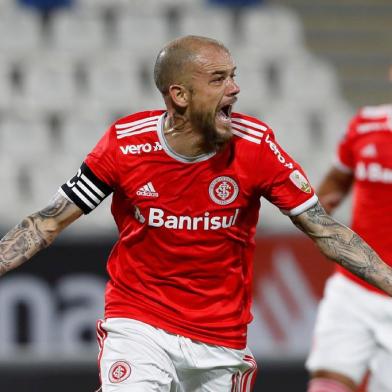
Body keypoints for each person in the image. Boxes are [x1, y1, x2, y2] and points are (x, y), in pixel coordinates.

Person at [1, 35, 392, 392]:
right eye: (219, 79)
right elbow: (48, 221)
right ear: (180, 95)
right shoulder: (125, 146)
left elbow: (324, 230)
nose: (235, 89)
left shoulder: (255, 146)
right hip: (140, 323)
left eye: (234, 76)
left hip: (221, 339)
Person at [305, 104, 392, 392]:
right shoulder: (365, 125)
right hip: (354, 287)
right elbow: (335, 183)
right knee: (327, 384)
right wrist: (317, 217)